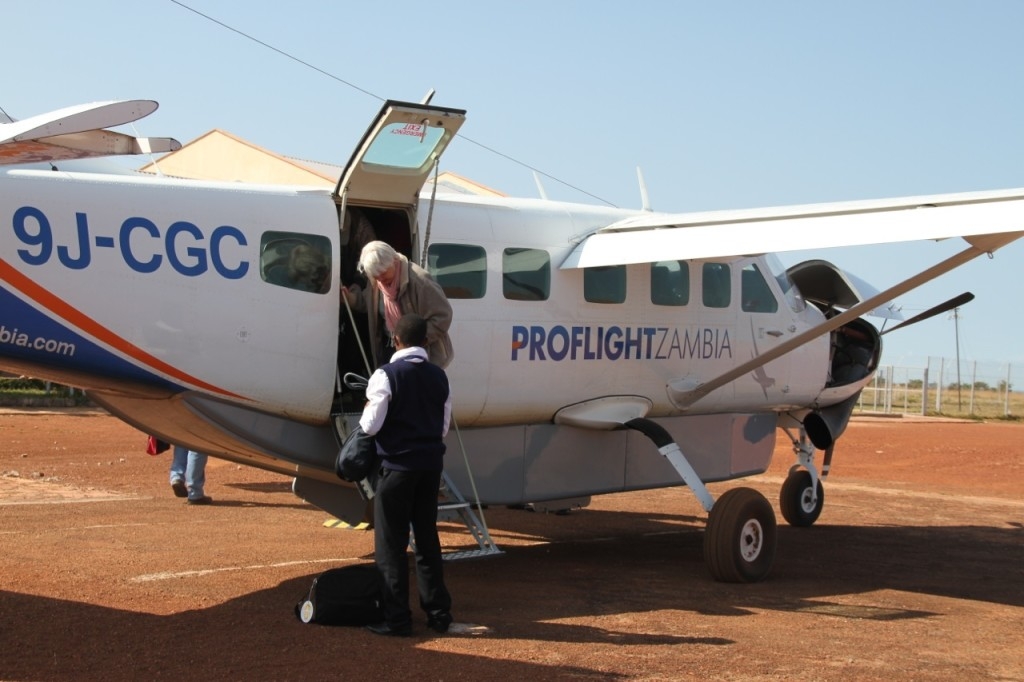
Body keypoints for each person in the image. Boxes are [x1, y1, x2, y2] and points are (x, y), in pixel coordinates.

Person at [359, 313, 454, 637]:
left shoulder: (385, 375)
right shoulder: (440, 377)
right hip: (430, 468)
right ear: (426, 342)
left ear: (394, 340)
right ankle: (439, 614)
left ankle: (397, 619)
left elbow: (370, 426)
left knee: (391, 545)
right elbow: (442, 428)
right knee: (427, 540)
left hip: (397, 469)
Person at [341, 241, 454, 370]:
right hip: (391, 345)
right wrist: (350, 298)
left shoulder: (420, 281)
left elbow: (443, 316)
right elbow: (368, 302)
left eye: (383, 273)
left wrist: (415, 340)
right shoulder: (377, 281)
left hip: (421, 352)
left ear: (394, 261)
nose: (380, 279)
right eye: (375, 275)